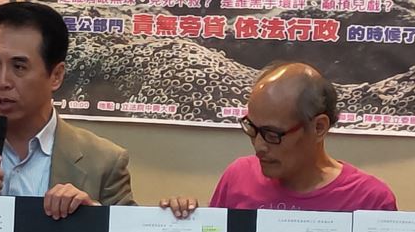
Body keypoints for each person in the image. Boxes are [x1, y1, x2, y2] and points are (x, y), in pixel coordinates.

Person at [0, 2, 135, 218]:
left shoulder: (105, 161)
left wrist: (93, 217)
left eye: (19, 67)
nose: (2, 81)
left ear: (56, 76)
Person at [160, 62, 397, 217]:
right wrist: (182, 220)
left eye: (272, 134)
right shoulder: (238, 176)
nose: (259, 146)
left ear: (318, 127)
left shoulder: (370, 199)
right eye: (252, 128)